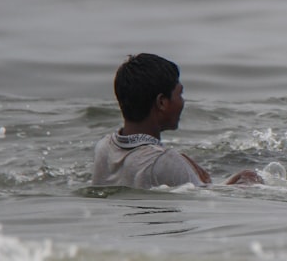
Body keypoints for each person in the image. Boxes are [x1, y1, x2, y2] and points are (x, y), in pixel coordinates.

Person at [93, 53, 262, 189]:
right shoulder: (164, 161)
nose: (182, 101)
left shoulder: (104, 148)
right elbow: (210, 205)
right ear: (162, 102)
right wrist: (245, 181)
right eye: (179, 94)